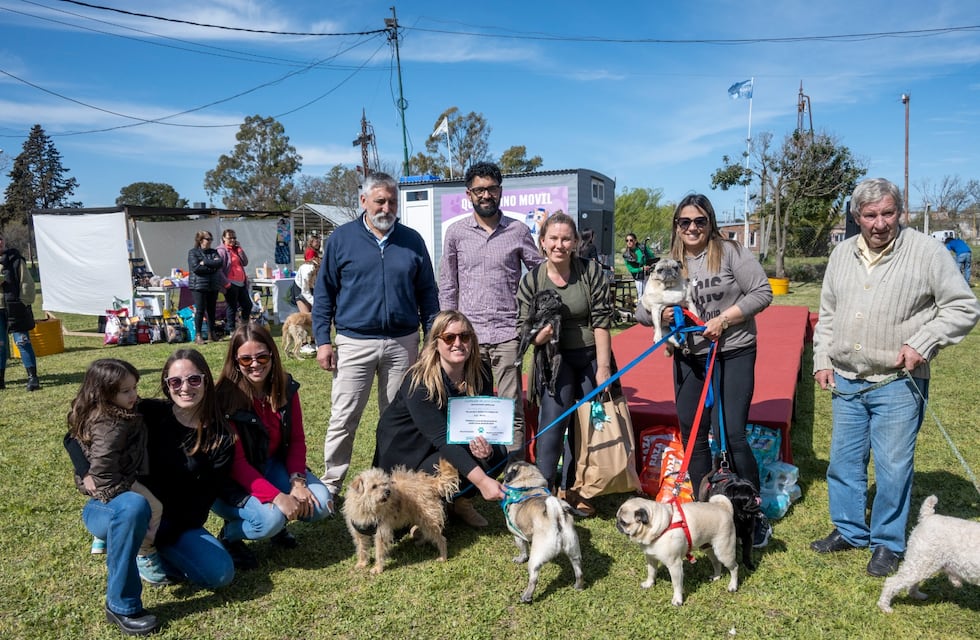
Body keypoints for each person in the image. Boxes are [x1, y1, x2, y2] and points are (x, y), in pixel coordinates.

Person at [810, 178, 980, 577]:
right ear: (856, 218)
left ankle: (888, 542)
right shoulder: (840, 255)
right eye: (870, 215)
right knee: (844, 462)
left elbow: (962, 306)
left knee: (892, 467)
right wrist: (822, 359)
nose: (879, 223)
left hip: (899, 383)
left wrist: (924, 342)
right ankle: (850, 529)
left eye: (888, 213)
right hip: (848, 379)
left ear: (899, 213)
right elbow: (828, 314)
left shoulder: (927, 252)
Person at [65, 349, 236, 636]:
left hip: (172, 524)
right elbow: (73, 434)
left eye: (194, 379)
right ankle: (122, 606)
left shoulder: (220, 436)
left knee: (219, 573)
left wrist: (157, 534)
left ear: (206, 380)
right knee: (134, 506)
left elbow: (200, 504)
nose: (185, 388)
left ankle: (141, 548)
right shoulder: (144, 412)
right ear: (166, 385)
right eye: (176, 382)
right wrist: (86, 471)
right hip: (112, 506)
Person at [637, 193, 774, 546]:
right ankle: (703, 510)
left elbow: (762, 292)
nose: (692, 228)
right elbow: (642, 309)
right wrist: (663, 316)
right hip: (689, 356)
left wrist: (725, 320)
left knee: (732, 433)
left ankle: (753, 514)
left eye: (699, 221)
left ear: (710, 222)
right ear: (677, 226)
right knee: (692, 432)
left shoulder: (731, 253)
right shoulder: (669, 262)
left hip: (732, 351)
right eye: (685, 222)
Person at [313, 171, 439, 498]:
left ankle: (394, 485)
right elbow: (324, 293)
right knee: (344, 417)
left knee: (400, 419)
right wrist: (323, 340)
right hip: (354, 342)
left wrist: (430, 339)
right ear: (363, 201)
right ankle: (330, 486)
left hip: (403, 342)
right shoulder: (342, 239)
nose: (386, 207)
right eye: (380, 200)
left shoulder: (412, 241)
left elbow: (428, 294)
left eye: (392, 201)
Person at [438, 161, 543, 460]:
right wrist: (448, 332)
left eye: (492, 189)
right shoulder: (456, 233)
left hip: (508, 334)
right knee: (468, 407)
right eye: (480, 189)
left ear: (500, 192)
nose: (486, 195)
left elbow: (540, 275)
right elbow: (448, 284)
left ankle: (515, 472)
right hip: (466, 338)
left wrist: (534, 317)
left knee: (511, 407)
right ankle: (474, 470)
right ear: (468, 193)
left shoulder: (518, 231)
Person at [516, 211, 613, 516]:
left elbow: (601, 321)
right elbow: (523, 327)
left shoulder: (591, 272)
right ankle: (543, 491)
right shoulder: (532, 279)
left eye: (566, 238)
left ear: (576, 242)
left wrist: (603, 367)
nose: (559, 244)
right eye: (553, 238)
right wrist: (537, 337)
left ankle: (575, 488)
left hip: (588, 354)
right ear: (542, 242)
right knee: (553, 424)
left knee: (586, 425)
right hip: (553, 360)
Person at [213, 322, 332, 569]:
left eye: (262, 356)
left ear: (272, 355)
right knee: (270, 519)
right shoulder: (224, 398)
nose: (255, 364)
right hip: (231, 481)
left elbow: (297, 439)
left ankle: (277, 523)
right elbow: (236, 464)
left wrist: (297, 483)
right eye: (246, 360)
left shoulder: (285, 386)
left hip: (270, 464)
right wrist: (278, 496)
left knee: (320, 505)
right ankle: (229, 536)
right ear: (235, 361)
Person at [373, 310, 508, 527]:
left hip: (448, 442)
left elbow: (481, 421)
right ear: (436, 343)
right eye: (449, 337)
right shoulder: (418, 381)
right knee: (387, 524)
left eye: (465, 336)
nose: (458, 343)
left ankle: (461, 503)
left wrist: (486, 449)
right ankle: (422, 514)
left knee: (498, 453)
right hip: (408, 452)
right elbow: (442, 440)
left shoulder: (481, 370)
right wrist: (483, 481)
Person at [67, 359, 165, 585]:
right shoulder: (110, 425)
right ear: (104, 392)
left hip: (118, 476)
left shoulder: (116, 410)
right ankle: (144, 551)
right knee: (154, 508)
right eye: (126, 391)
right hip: (116, 480)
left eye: (134, 388)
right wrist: (113, 493)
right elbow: (103, 465)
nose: (134, 395)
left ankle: (104, 536)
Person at [0, 230, 40, 391]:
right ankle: (0, 379)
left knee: (22, 342)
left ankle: (33, 378)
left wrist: (24, 302)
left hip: (15, 308)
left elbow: (27, 283)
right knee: (0, 345)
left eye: (0, 239)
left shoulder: (15, 259)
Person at [187, 230, 224, 344]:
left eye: (211, 239)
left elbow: (220, 263)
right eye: (208, 239)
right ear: (200, 240)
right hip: (198, 285)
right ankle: (198, 336)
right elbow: (196, 268)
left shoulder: (214, 252)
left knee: (212, 310)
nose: (210, 241)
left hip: (213, 285)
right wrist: (212, 266)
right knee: (200, 310)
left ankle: (211, 333)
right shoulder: (193, 252)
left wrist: (206, 262)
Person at [217, 228, 252, 333]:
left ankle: (244, 327)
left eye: (234, 238)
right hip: (230, 282)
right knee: (232, 306)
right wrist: (226, 283)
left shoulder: (235, 250)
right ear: (223, 238)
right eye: (229, 238)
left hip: (241, 282)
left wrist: (239, 249)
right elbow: (219, 270)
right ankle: (231, 329)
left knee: (247, 305)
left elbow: (245, 262)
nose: (232, 240)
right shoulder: (221, 251)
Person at [623, 232, 657, 299]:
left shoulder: (642, 248)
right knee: (641, 296)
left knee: (651, 294)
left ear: (635, 241)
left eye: (631, 240)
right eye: (627, 240)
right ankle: (640, 309)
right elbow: (631, 269)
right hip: (639, 277)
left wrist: (650, 265)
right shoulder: (626, 255)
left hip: (649, 274)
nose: (629, 242)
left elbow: (652, 257)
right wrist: (642, 269)